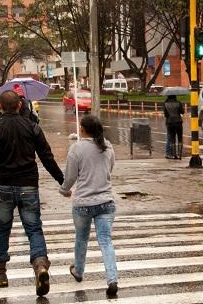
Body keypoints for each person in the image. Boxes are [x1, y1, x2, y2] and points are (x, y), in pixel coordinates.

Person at [0, 90, 64, 297]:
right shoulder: (32, 127)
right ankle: (40, 264)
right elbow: (47, 157)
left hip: (4, 187)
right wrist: (62, 181)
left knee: (1, 230)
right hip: (29, 187)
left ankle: (0, 274)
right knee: (34, 229)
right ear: (19, 105)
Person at [59, 115, 118, 297]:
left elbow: (70, 177)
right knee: (106, 241)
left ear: (83, 129)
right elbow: (110, 168)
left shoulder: (76, 149)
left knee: (81, 238)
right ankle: (112, 278)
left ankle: (78, 271)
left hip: (83, 203)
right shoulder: (107, 146)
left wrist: (64, 190)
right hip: (106, 202)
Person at [163, 95, 184, 159]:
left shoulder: (165, 104)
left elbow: (165, 114)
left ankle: (174, 155)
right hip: (178, 122)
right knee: (180, 139)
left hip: (170, 123)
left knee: (172, 139)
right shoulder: (178, 103)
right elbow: (182, 112)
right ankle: (180, 155)